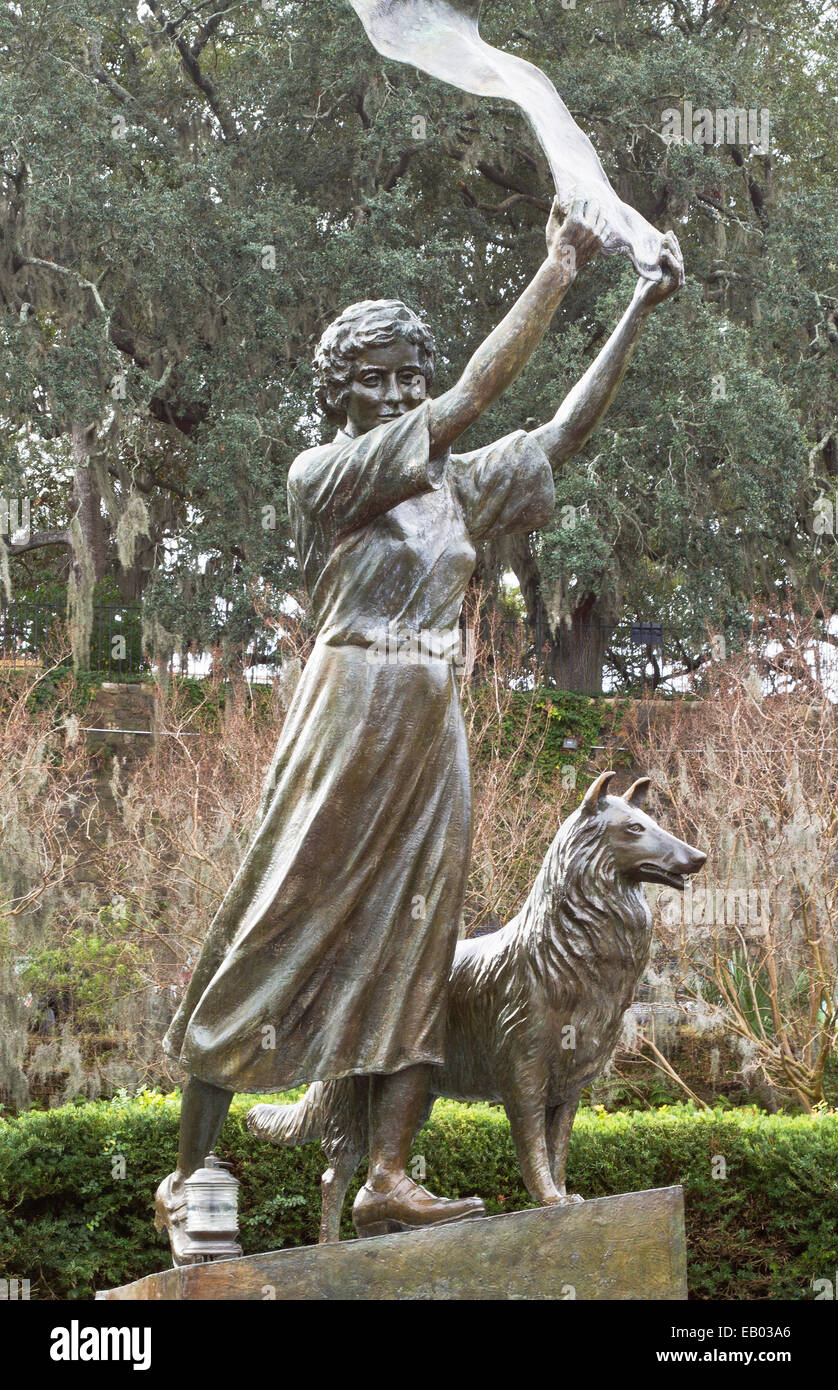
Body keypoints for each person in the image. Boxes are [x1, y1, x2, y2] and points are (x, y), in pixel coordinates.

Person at [155, 198, 683, 1258]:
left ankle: (388, 1174)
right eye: (376, 377)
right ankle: (185, 1170)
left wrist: (636, 301)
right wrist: (553, 273)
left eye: (408, 372)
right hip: (350, 708)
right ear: (338, 389)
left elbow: (561, 431)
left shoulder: (455, 488)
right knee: (277, 920)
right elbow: (468, 397)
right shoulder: (328, 476)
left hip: (431, 720)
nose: (397, 392)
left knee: (419, 936)